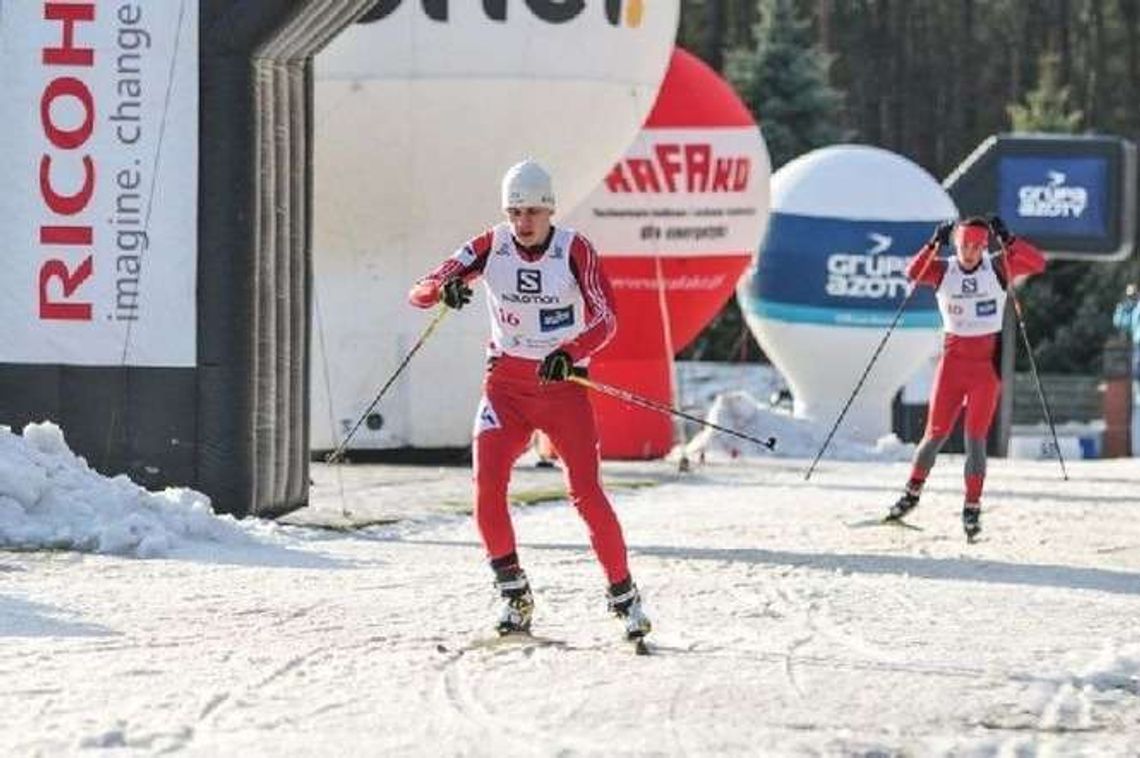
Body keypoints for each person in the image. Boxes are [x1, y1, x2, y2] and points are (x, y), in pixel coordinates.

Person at [407, 159, 651, 641]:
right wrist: (443, 290)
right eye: (514, 212)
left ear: (550, 210)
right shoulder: (491, 244)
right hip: (506, 389)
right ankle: (514, 595)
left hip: (562, 388)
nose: (523, 223)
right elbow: (419, 290)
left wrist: (570, 352)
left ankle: (624, 596)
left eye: (533, 212)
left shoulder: (574, 249)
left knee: (587, 493)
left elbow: (606, 317)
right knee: (487, 486)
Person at [886, 215, 1046, 540]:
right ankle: (911, 494)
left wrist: (1009, 240)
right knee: (935, 435)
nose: (970, 253)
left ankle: (972, 508)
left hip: (985, 370)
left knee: (975, 439)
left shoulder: (997, 266)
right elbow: (913, 273)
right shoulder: (943, 269)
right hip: (952, 366)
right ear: (956, 245)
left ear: (984, 245)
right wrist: (933, 243)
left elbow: (1038, 263)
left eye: (976, 246)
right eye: (964, 246)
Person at [1112, 282, 1140, 455]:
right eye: (1130, 295)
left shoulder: (1136, 309)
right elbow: (1121, 323)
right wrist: (1121, 309)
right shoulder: (1132, 309)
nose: (1132, 298)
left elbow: (1122, 323)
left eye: (1133, 295)